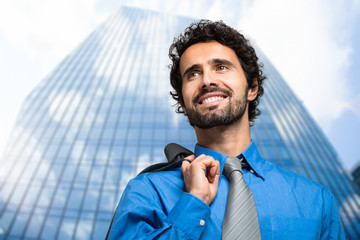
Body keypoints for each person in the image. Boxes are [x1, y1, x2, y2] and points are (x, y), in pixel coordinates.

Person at [107, 20, 345, 239]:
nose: (207, 81)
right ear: (183, 102)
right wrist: (193, 202)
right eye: (193, 73)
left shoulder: (317, 201)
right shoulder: (147, 190)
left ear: (252, 88)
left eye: (221, 67)